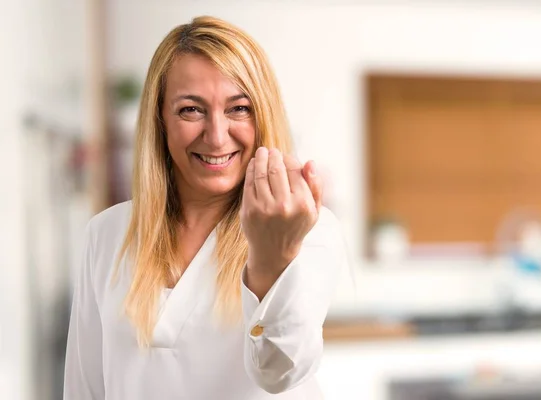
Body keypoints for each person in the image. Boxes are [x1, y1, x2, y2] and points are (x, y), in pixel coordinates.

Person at [63, 15, 348, 400]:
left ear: (262, 114)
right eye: (191, 110)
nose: (216, 137)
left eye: (239, 108)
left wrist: (270, 258)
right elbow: (85, 388)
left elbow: (280, 372)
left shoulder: (308, 229)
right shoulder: (107, 233)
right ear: (160, 119)